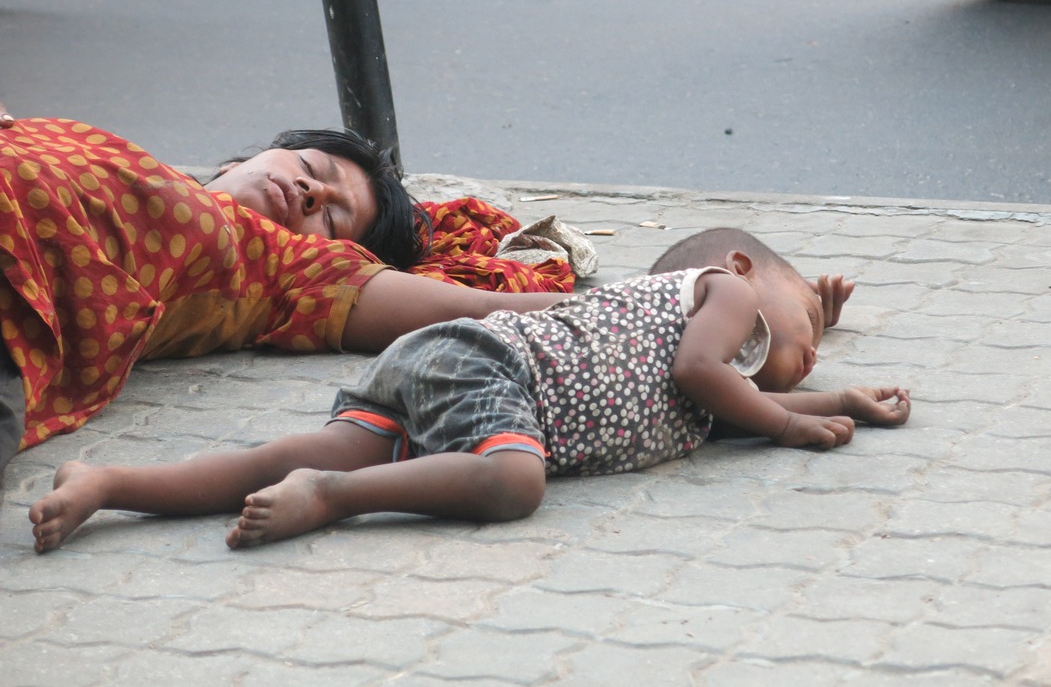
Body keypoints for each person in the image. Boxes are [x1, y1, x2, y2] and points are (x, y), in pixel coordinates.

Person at [28, 227, 910, 553]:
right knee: (512, 480)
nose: (809, 352)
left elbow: (723, 400)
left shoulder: (715, 386)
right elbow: (704, 374)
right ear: (749, 271)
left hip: (445, 374)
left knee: (280, 453)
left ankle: (110, 485)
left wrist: (839, 403)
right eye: (808, 322)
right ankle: (332, 499)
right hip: (492, 368)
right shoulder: (723, 294)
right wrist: (792, 428)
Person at [0, 106, 568, 472]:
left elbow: (479, 307)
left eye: (332, 215)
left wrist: (648, 303)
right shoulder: (130, 158)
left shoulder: (285, 267)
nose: (308, 191)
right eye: (308, 164)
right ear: (242, 159)